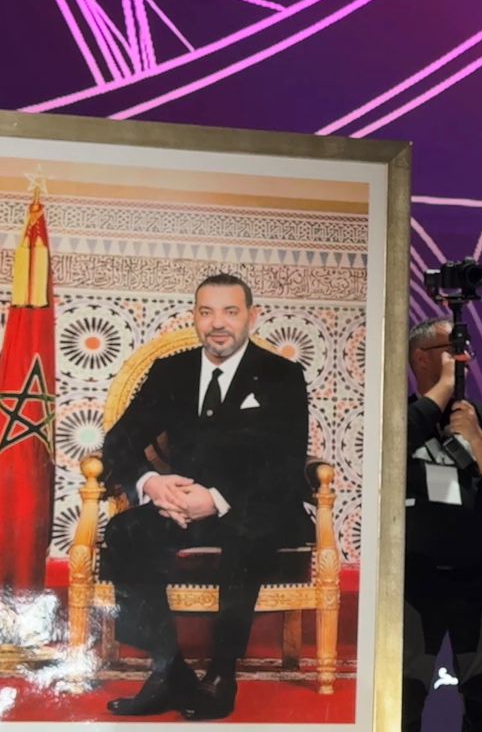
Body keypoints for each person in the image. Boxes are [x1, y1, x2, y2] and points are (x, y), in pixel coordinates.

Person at [101, 273, 311, 720]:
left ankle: (221, 674)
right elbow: (119, 441)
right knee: (124, 531)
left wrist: (216, 499)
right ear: (194, 317)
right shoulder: (170, 371)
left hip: (256, 505)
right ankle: (168, 671)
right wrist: (152, 484)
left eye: (230, 312)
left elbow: (286, 462)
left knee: (246, 531)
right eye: (206, 312)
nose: (218, 323)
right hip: (181, 504)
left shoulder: (282, 375)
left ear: (252, 316)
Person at [402, 317, 482, 732]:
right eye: (451, 351)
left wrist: (473, 435)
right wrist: (443, 390)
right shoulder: (401, 416)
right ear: (421, 358)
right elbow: (396, 445)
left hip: (477, 582)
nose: (462, 358)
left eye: (464, 350)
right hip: (414, 582)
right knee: (404, 700)